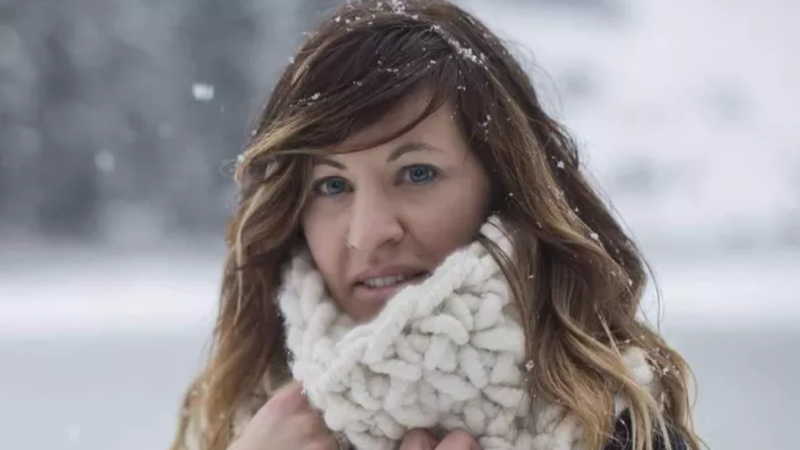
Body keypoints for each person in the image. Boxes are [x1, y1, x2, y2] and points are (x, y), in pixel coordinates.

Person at [170, 1, 703, 450]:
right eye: (332, 185)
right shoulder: (236, 419)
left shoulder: (620, 430)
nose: (368, 233)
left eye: (416, 173)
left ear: (504, 187)